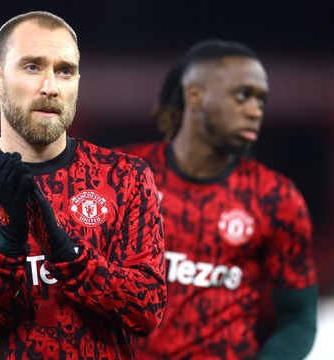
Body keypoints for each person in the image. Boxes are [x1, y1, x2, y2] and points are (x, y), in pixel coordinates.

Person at [0, 11, 166, 359]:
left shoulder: (125, 177)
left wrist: (66, 253)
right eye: (32, 67)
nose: (50, 86)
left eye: (65, 70)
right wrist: (5, 244)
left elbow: (147, 310)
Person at [114, 39, 318, 359]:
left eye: (261, 101)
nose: (255, 111)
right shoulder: (120, 176)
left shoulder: (275, 198)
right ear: (195, 95)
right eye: (243, 96)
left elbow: (299, 319)